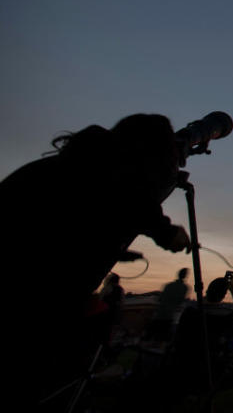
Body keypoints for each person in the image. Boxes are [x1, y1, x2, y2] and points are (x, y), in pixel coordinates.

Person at [2, 114, 191, 403]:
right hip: (30, 311)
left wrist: (116, 250)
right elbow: (143, 208)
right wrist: (169, 233)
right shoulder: (124, 184)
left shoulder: (62, 169)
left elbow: (67, 229)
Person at [147, 268, 190, 342]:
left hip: (160, 314)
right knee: (164, 338)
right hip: (170, 315)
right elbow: (180, 301)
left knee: (153, 336)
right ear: (185, 276)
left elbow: (160, 299)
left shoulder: (168, 285)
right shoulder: (185, 288)